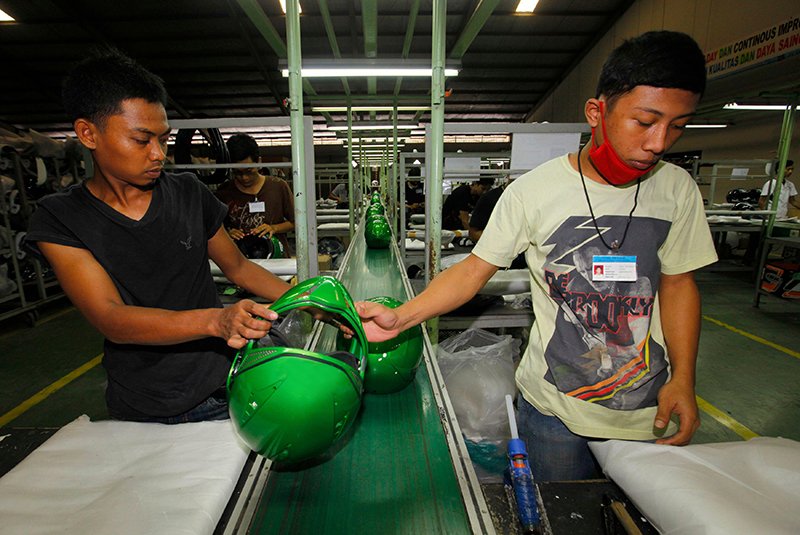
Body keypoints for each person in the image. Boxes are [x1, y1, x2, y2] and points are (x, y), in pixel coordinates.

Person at [357, 31, 718, 482]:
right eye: (645, 121)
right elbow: (473, 270)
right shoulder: (533, 192)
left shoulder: (677, 189)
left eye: (678, 125)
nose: (660, 142)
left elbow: (680, 283)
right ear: (597, 112)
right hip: (553, 412)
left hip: (647, 412)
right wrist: (404, 317)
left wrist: (684, 378)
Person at [24, 51, 290, 424]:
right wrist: (217, 321)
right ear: (88, 133)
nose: (158, 154)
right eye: (141, 140)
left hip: (226, 379)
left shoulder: (187, 193)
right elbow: (110, 317)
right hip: (150, 403)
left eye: (163, 139)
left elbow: (240, 268)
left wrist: (312, 300)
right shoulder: (62, 218)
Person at [215, 133, 295, 254]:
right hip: (239, 260)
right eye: (237, 173)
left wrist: (274, 228)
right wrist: (227, 232)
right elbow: (213, 228)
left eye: (249, 171)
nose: (245, 178)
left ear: (259, 162)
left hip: (276, 258)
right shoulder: (224, 192)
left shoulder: (278, 186)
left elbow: (297, 222)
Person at [469, 177, 526, 269]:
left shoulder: (534, 199)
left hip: (525, 260)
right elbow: (474, 232)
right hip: (496, 260)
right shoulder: (490, 198)